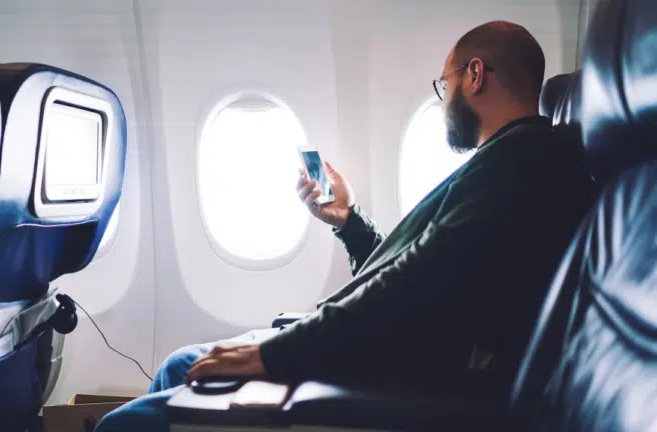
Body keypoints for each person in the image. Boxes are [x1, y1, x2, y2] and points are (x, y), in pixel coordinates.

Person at [95, 20, 595, 431]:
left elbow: (415, 284)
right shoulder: (507, 162)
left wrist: (276, 353)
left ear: (475, 75)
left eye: (445, 84)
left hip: (407, 371)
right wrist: (349, 222)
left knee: (120, 426)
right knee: (178, 364)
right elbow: (423, 270)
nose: (444, 100)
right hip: (390, 350)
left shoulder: (522, 166)